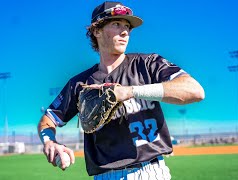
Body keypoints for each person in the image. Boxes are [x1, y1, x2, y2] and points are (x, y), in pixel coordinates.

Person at [37, 1, 205, 179]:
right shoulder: (81, 84)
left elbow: (195, 90)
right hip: (104, 176)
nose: (125, 32)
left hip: (149, 172)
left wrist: (130, 91)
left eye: (127, 26)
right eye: (116, 24)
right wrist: (50, 142)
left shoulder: (148, 64)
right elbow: (48, 121)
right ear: (97, 31)